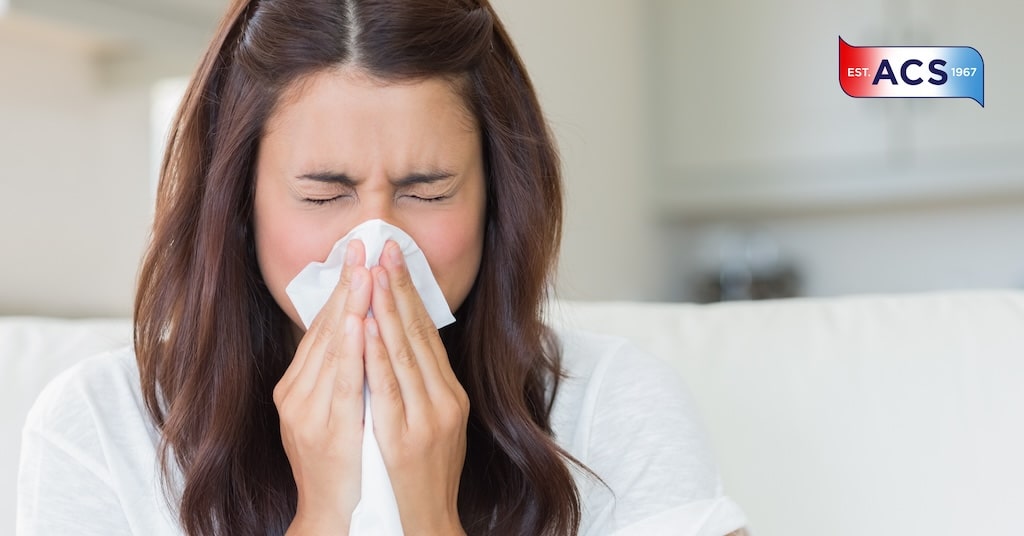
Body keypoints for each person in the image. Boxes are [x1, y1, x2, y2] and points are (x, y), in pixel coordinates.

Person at [17, 0, 748, 534]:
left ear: (500, 200)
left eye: (426, 191)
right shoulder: (100, 426)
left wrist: (429, 517)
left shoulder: (616, 406)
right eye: (323, 193)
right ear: (239, 206)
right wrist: (325, 514)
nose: (374, 246)